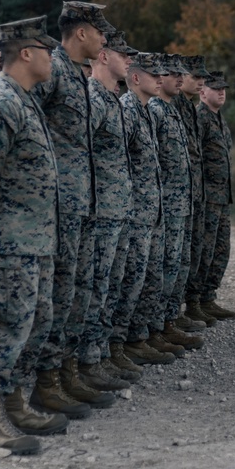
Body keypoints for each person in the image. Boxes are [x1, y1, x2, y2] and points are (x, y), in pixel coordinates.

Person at [0, 15, 68, 456]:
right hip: (9, 240)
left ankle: (16, 404)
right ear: (26, 53)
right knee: (5, 326)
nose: (53, 59)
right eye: (47, 50)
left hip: (34, 238)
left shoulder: (24, 98)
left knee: (35, 323)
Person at [31, 1, 116, 415]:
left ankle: (67, 371)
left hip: (82, 204)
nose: (104, 38)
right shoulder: (51, 71)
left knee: (77, 293)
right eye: (99, 31)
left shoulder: (79, 77)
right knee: (57, 294)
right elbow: (25, 121)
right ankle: (46, 381)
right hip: (57, 206)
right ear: (81, 32)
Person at [78, 31, 139, 391]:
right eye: (123, 53)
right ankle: (86, 361)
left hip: (118, 210)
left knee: (110, 287)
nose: (129, 59)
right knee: (94, 288)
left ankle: (100, 354)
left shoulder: (112, 99)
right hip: (99, 213)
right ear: (103, 56)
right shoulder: (94, 99)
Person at [120, 53, 178, 367]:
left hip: (150, 212)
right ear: (137, 78)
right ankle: (121, 344)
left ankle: (139, 335)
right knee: (130, 280)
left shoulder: (144, 112)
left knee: (147, 278)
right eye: (154, 75)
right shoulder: (128, 110)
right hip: (134, 214)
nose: (160, 79)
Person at [144, 55, 195, 358]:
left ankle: (167, 320)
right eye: (172, 73)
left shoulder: (171, 110)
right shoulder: (155, 111)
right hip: (164, 205)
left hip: (180, 202)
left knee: (176, 265)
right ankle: (153, 328)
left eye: (180, 74)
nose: (179, 78)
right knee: (160, 268)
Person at [194, 71, 235, 320]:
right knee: (204, 251)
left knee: (221, 250)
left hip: (222, 197)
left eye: (224, 88)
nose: (221, 92)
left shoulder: (219, 119)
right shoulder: (200, 118)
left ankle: (208, 297)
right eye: (215, 88)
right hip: (207, 198)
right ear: (202, 92)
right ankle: (195, 302)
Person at [176, 55, 213, 331]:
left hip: (193, 194)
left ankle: (191, 304)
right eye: (195, 77)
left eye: (202, 78)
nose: (201, 82)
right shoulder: (171, 107)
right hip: (175, 198)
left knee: (193, 253)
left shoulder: (188, 109)